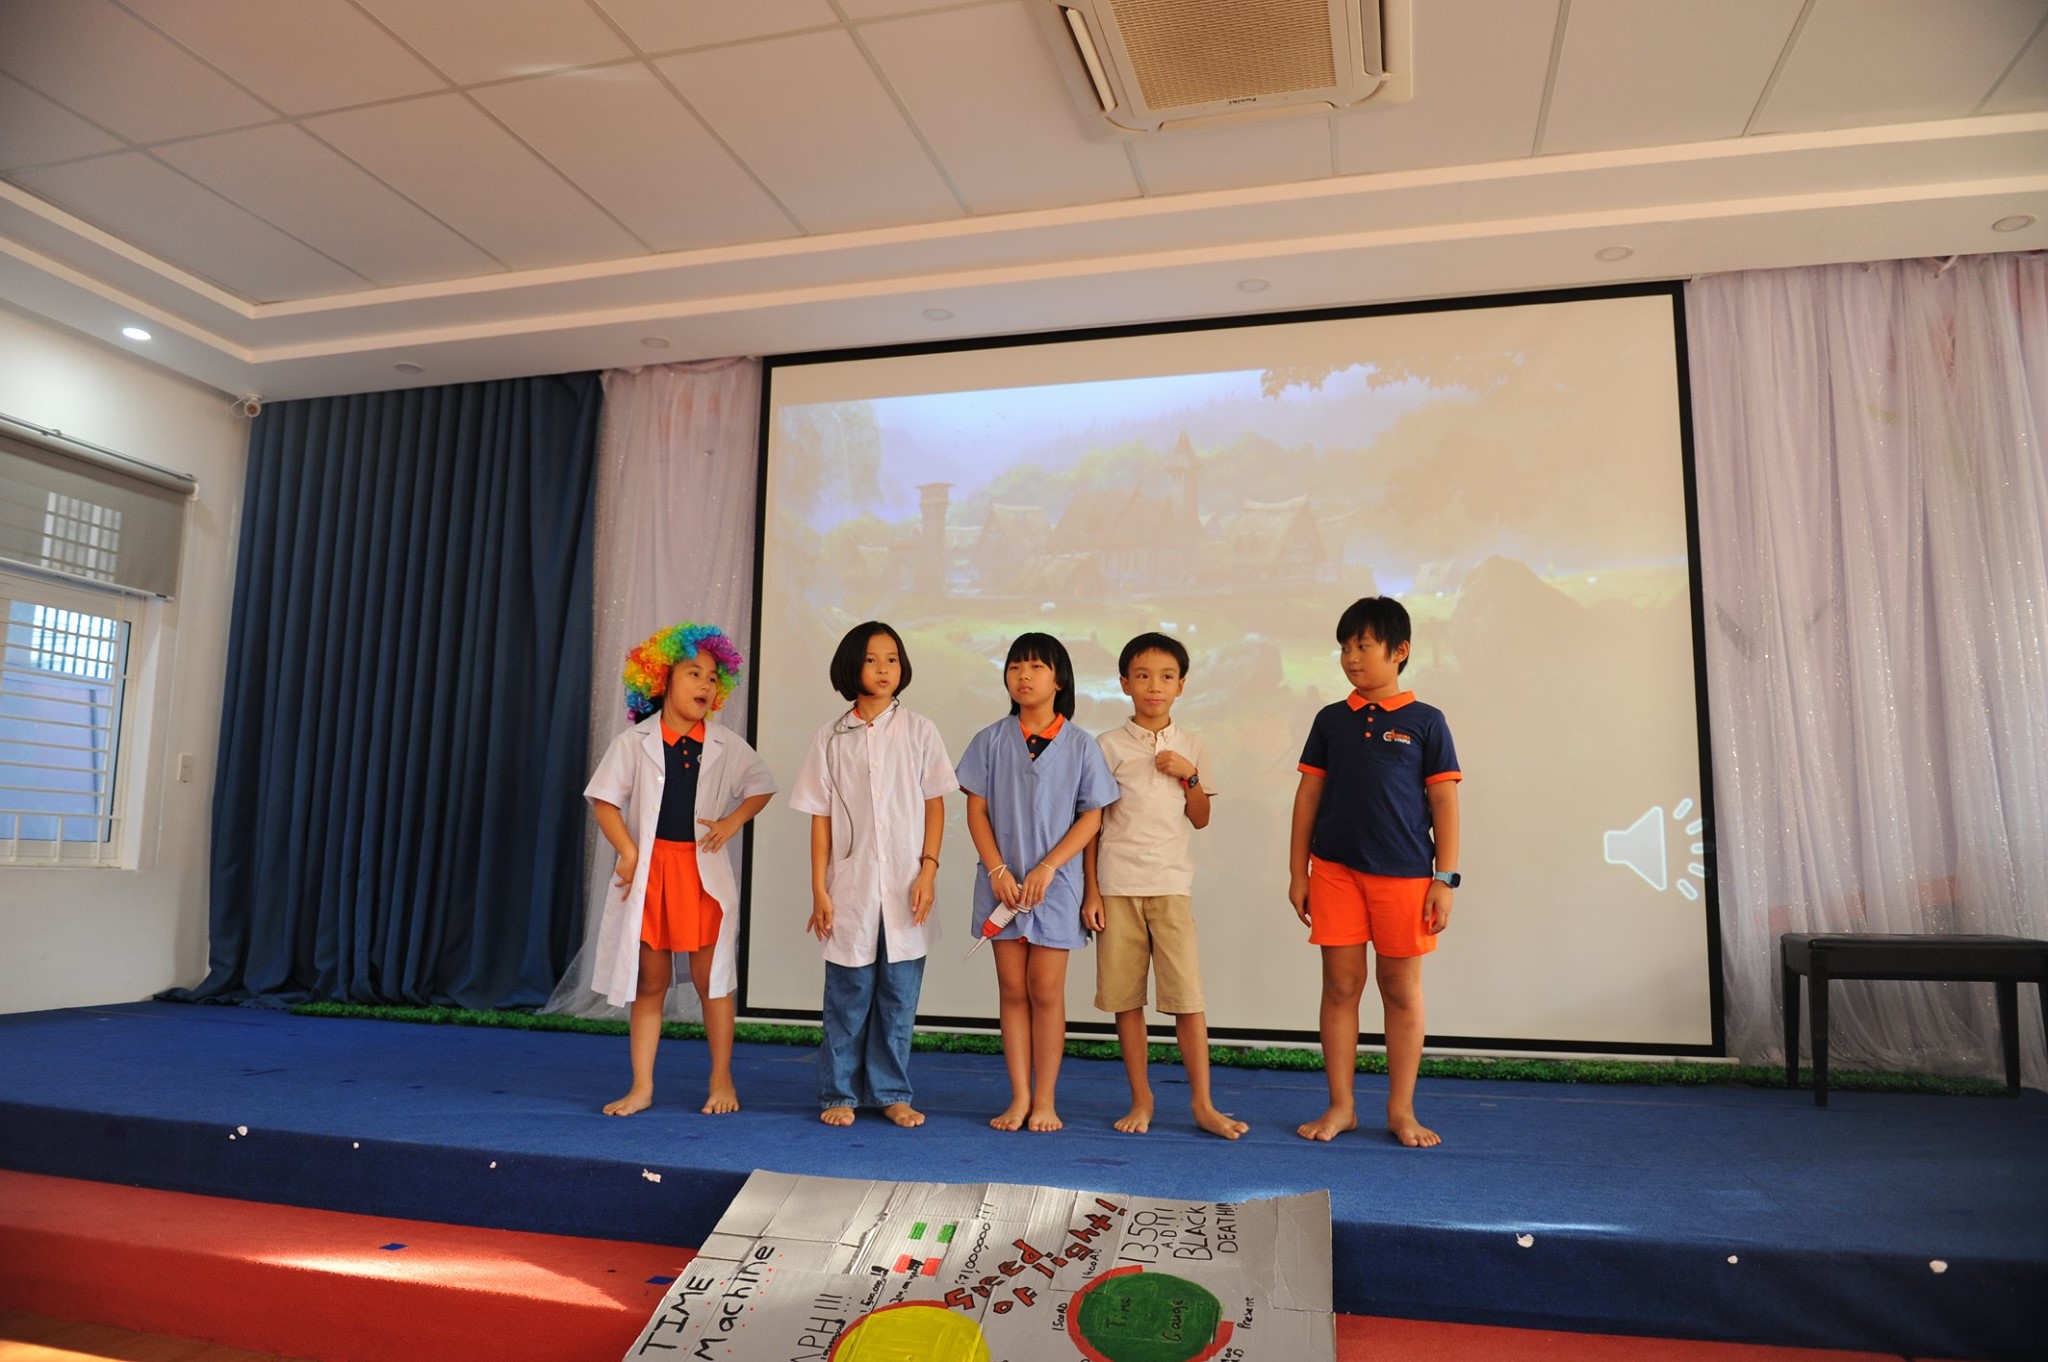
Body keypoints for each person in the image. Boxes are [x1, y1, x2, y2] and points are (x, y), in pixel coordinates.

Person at [1288, 597, 1461, 1147]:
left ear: (1399, 651)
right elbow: (1308, 796)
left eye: (1363, 645)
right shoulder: (1330, 720)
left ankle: (1401, 1111)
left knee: (1401, 990)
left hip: (1406, 876)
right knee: (1341, 986)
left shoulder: (1426, 721)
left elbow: (1444, 803)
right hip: (1334, 871)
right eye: (1345, 647)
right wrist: (1298, 872)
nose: (1351, 657)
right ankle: (1341, 1107)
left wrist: (1445, 879)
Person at [584, 623, 774, 1117]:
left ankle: (721, 1078)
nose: (705, 685)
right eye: (694, 673)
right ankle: (642, 1086)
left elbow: (761, 785)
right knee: (651, 980)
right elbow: (604, 801)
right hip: (653, 874)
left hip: (700, 875)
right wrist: (628, 852)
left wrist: (732, 821)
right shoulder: (634, 742)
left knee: (712, 979)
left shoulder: (726, 744)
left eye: (713, 677)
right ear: (661, 679)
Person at [787, 621, 957, 1129]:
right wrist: (818, 889)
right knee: (849, 995)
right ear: (851, 666)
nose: (884, 669)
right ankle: (838, 1092)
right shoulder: (829, 738)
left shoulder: (921, 731)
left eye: (892, 659)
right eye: (871, 659)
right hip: (851, 888)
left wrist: (928, 871)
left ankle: (890, 1092)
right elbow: (820, 820)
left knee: (898, 996)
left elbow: (935, 806)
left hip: (908, 886)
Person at [1082, 632, 1246, 1140]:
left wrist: (1189, 776)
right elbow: (1091, 824)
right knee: (1126, 1000)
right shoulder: (1105, 746)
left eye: (1167, 676)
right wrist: (1091, 892)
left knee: (1187, 999)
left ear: (1182, 686)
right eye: (1144, 676)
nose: (1155, 686)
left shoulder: (1192, 746)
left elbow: (1201, 818)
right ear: (1124, 683)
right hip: (1116, 886)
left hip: (1172, 886)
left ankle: (1203, 1104)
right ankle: (1142, 1098)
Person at [956, 632, 1119, 1133]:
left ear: (1059, 679)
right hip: (1001, 886)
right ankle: (1019, 1098)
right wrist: (997, 869)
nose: (1023, 676)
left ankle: (1045, 1100)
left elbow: (1092, 817)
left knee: (1045, 990)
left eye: (1036, 667)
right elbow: (976, 810)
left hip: (1055, 887)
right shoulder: (989, 741)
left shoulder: (1081, 745)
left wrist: (1049, 867)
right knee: (1012, 989)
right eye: (1014, 667)